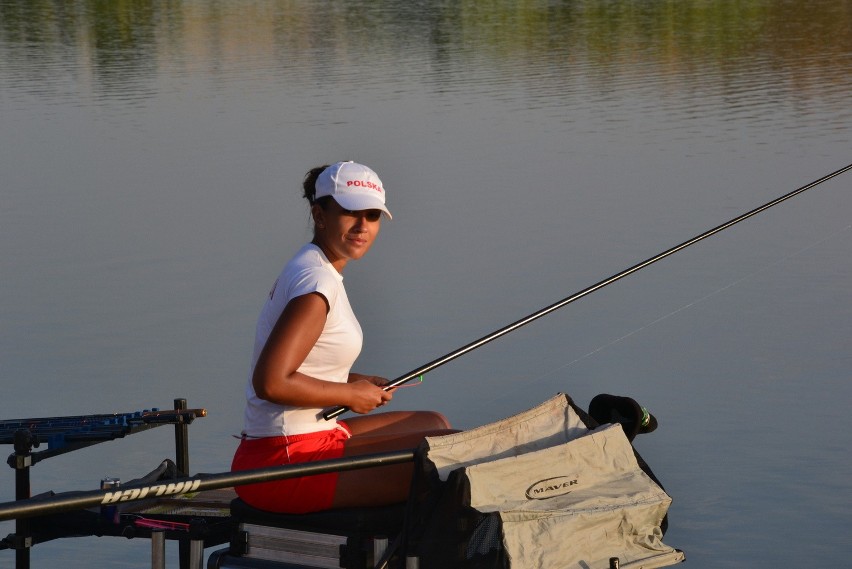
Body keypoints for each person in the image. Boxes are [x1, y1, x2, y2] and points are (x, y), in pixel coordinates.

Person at [231, 161, 454, 514]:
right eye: (350, 212)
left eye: (372, 215)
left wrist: (355, 382)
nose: (362, 226)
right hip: (282, 463)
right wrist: (349, 393)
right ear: (320, 215)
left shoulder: (315, 265)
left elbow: (301, 365)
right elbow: (270, 382)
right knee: (453, 454)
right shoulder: (316, 286)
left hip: (310, 436)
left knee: (435, 423)